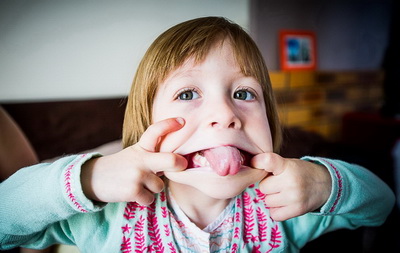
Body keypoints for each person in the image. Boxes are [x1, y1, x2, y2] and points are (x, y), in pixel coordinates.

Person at [0, 17, 395, 252]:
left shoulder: (285, 207)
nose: (225, 114)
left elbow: (382, 204)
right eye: (188, 93)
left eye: (243, 94)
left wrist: (324, 183)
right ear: (145, 128)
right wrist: (89, 179)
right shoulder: (107, 215)